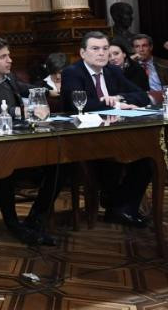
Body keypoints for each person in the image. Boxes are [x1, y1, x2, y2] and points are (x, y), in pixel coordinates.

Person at [0, 37, 60, 246]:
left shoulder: (10, 78)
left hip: (21, 140)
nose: (10, 60)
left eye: (9, 55)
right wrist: (18, 110)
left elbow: (27, 89)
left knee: (60, 164)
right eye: (3, 57)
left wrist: (50, 91)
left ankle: (37, 218)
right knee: (5, 170)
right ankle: (13, 224)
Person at [61, 31, 151, 227]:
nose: (101, 54)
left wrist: (119, 99)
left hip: (113, 133)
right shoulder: (72, 73)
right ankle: (115, 205)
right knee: (114, 161)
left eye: (104, 49)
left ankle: (122, 208)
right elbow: (79, 105)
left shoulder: (112, 71)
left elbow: (142, 96)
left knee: (148, 159)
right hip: (82, 137)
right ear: (83, 53)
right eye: (95, 49)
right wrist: (110, 104)